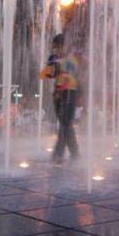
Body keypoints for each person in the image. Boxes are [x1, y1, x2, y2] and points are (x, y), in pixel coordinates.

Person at [39, 34, 80, 164]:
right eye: (54, 46)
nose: (54, 48)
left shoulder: (68, 60)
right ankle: (75, 153)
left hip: (66, 92)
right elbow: (47, 74)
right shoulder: (63, 59)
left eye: (56, 46)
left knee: (64, 124)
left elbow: (66, 77)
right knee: (66, 124)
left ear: (62, 46)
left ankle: (58, 154)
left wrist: (60, 89)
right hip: (63, 92)